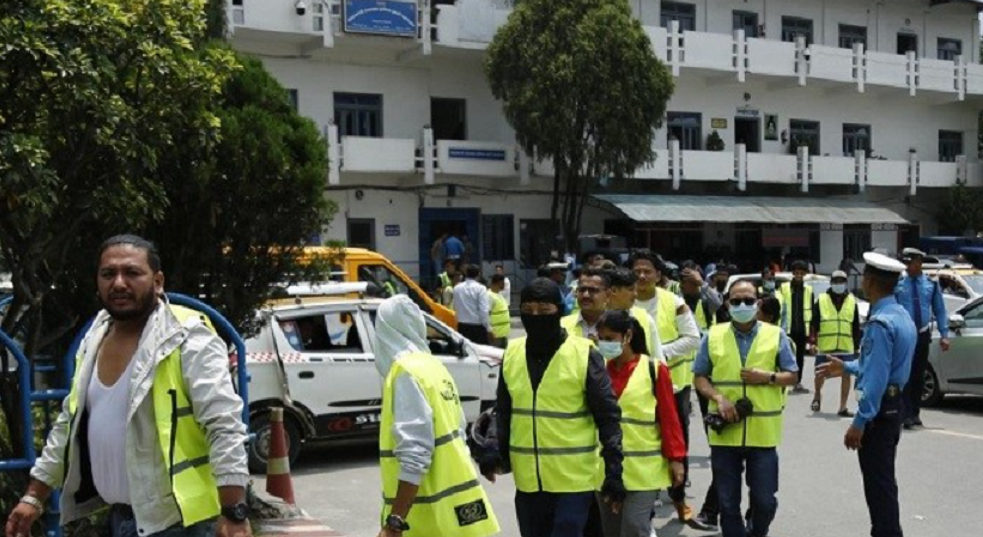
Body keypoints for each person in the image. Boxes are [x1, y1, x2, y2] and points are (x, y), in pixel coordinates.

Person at [5, 235, 250, 537]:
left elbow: (224, 425)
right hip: (121, 519)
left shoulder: (188, 337)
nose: (119, 283)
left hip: (183, 524)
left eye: (132, 273)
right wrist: (34, 495)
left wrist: (234, 511)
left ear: (158, 281)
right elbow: (69, 423)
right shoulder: (96, 334)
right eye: (108, 274)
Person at [482, 278, 625, 537]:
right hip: (528, 482)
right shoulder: (512, 353)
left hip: (573, 481)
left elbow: (608, 417)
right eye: (528, 311)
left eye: (544, 311)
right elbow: (503, 410)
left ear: (559, 310)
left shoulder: (584, 354)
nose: (535, 317)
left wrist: (614, 470)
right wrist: (493, 448)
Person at [373, 295, 500, 537]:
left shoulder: (405, 372)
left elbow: (415, 451)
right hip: (459, 510)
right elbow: (457, 431)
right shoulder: (433, 367)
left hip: (427, 519)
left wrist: (395, 521)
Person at [818, 252, 916, 537]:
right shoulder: (901, 316)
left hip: (879, 408)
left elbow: (875, 380)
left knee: (878, 483)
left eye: (863, 278)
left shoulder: (880, 323)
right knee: (884, 479)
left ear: (870, 282)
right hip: (895, 405)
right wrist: (847, 365)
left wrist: (858, 422)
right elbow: (879, 364)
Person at [692, 280, 799, 537]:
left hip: (763, 434)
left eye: (749, 301)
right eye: (736, 301)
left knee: (764, 501)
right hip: (725, 431)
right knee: (728, 504)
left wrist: (768, 377)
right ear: (727, 303)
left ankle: (756, 531)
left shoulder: (776, 335)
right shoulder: (713, 335)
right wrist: (718, 398)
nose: (742, 305)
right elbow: (699, 377)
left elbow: (792, 375)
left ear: (758, 303)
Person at [595, 311, 686, 537]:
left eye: (610, 338)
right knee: (612, 530)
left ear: (627, 336)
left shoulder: (653, 369)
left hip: (645, 469)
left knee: (635, 527)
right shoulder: (597, 371)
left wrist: (676, 459)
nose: (605, 343)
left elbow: (669, 417)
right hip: (604, 467)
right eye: (601, 338)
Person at [629, 252, 701, 526]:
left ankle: (679, 498)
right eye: (637, 271)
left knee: (676, 441)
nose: (642, 276)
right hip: (632, 388)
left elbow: (693, 338)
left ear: (659, 275)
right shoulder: (623, 301)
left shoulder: (674, 302)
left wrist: (658, 355)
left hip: (673, 384)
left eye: (648, 271)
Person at [894, 247, 949, 429]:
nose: (908, 266)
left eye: (911, 263)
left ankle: (914, 413)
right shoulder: (899, 282)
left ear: (919, 263)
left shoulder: (931, 284)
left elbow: (940, 310)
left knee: (918, 375)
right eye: (906, 263)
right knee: (904, 374)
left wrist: (944, 334)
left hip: (923, 334)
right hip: (904, 334)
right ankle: (904, 413)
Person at [809, 270, 861, 416]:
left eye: (842, 282)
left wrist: (857, 346)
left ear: (845, 284)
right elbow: (814, 323)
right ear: (831, 283)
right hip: (826, 345)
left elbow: (855, 325)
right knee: (820, 373)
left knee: (846, 374)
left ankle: (842, 407)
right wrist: (812, 342)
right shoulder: (822, 299)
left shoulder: (852, 301)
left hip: (846, 345)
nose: (839, 284)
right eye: (836, 281)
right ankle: (817, 395)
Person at [605, 268, 665, 366]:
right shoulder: (595, 319)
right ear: (614, 290)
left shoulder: (645, 318)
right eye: (631, 290)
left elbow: (658, 359)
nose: (635, 295)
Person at [779, 260, 813, 393]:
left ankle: (797, 382)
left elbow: (809, 309)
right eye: (796, 273)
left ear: (805, 274)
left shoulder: (808, 290)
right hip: (787, 329)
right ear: (793, 273)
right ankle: (783, 382)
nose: (799, 275)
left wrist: (810, 333)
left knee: (799, 357)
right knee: (785, 356)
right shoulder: (784, 288)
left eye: (801, 273)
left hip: (802, 329)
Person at [561, 268, 610, 343]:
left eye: (593, 290)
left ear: (607, 295)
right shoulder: (562, 325)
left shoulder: (620, 327)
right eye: (582, 289)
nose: (585, 295)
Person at [453, 265, 493, 345]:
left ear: (466, 274)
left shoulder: (457, 288)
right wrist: (488, 328)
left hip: (462, 326)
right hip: (477, 327)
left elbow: (455, 306)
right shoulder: (481, 288)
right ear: (478, 274)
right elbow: (484, 310)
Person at [488, 275, 511, 349]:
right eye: (503, 283)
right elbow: (486, 315)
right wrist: (490, 331)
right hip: (495, 334)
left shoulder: (499, 295)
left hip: (503, 334)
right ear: (499, 283)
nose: (505, 285)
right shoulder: (489, 296)